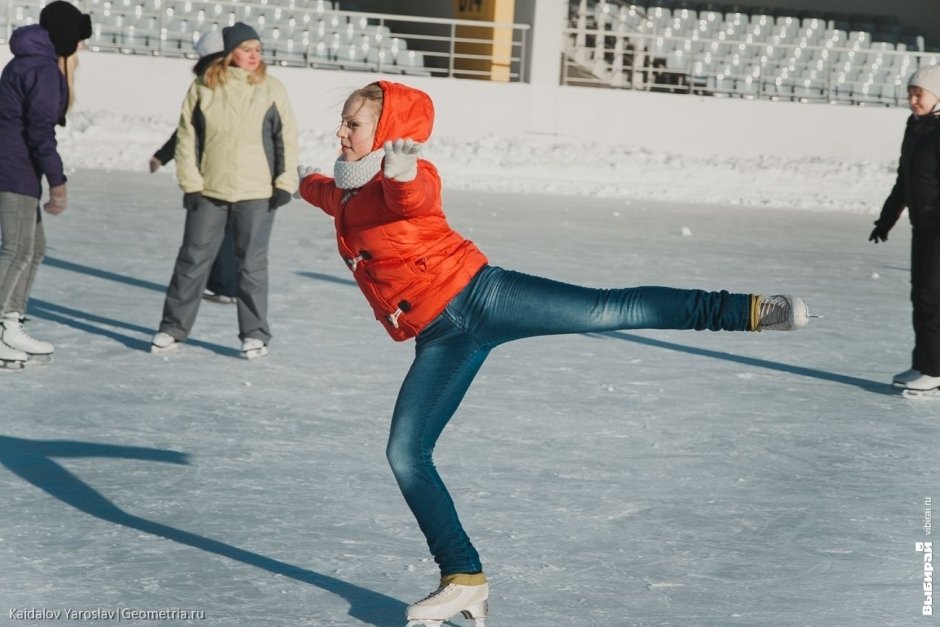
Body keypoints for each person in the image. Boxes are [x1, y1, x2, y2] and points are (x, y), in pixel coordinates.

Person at [296, 80, 811, 625]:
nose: (341, 131)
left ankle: (749, 311)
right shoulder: (348, 192)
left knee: (609, 309)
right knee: (405, 452)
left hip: (484, 297)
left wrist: (400, 176)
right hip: (441, 338)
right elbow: (324, 191)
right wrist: (296, 178)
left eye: (353, 123)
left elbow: (413, 196)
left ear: (387, 133)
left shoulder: (411, 175)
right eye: (344, 121)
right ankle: (463, 578)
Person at [151, 22, 298, 360]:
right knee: (192, 260)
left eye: (258, 50)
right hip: (209, 191)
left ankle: (255, 334)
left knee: (251, 266)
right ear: (230, 52)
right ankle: (172, 328)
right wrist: (191, 183)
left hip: (258, 192)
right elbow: (187, 138)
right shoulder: (203, 87)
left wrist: (284, 182)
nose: (254, 56)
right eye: (247, 49)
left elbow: (286, 137)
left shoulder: (271, 88)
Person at [0, 0, 91, 369]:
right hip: (14, 169)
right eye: (80, 40)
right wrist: (58, 181)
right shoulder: (42, 69)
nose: (82, 47)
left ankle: (10, 321)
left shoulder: (29, 62)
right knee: (18, 249)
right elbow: (40, 131)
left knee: (33, 248)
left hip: (16, 167)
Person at [148, 30, 236, 306]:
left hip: (218, 170)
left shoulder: (216, 85)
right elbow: (188, 128)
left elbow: (188, 129)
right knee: (223, 230)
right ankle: (223, 284)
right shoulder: (222, 82)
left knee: (216, 231)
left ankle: (225, 285)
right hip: (225, 168)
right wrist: (163, 155)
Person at [869, 65, 940, 395]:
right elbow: (904, 181)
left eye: (919, 94)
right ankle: (924, 364)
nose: (912, 100)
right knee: (921, 297)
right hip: (922, 226)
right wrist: (886, 219)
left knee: (931, 297)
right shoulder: (914, 128)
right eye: (910, 94)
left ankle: (934, 371)